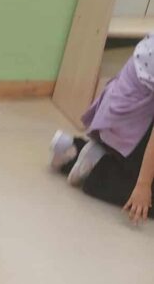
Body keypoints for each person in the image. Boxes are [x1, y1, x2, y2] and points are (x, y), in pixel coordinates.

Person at [50, 35, 154, 224]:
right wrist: (143, 185)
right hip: (127, 120)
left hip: (124, 109)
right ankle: (94, 168)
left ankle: (78, 149)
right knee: (147, 196)